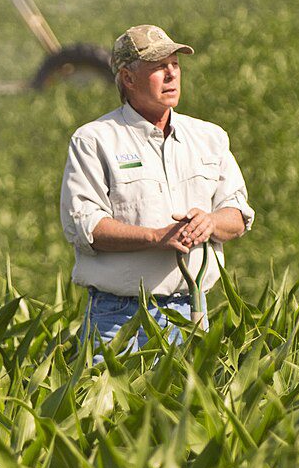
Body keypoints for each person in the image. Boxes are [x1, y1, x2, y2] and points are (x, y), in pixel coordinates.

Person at [59, 24, 255, 352]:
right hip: (118, 318)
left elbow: (237, 215)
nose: (171, 75)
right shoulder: (94, 140)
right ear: (127, 78)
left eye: (175, 65)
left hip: (192, 312)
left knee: (190, 404)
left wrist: (210, 223)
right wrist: (157, 237)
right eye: (157, 67)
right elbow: (86, 226)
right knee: (110, 404)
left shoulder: (210, 137)